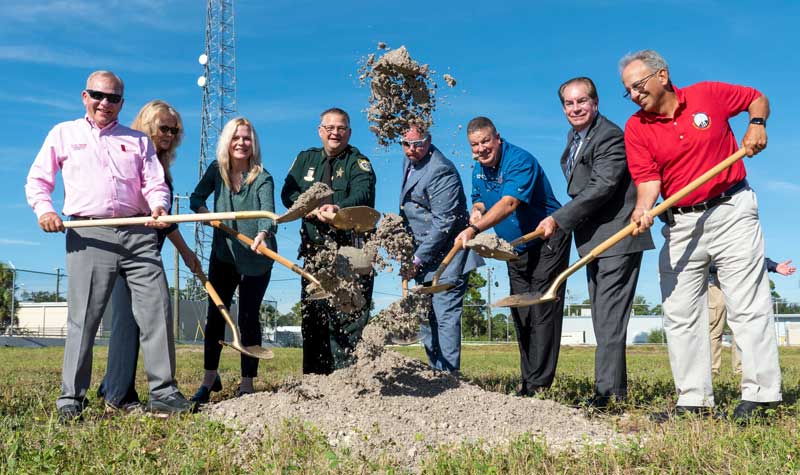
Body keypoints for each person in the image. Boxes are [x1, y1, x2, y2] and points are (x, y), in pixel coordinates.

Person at [620, 49, 782, 420]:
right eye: (627, 90)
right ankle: (693, 401)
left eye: (638, 85)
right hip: (680, 223)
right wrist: (643, 209)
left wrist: (757, 123)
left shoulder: (708, 93)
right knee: (679, 311)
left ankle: (761, 396)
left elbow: (757, 97)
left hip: (731, 209)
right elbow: (648, 180)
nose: (633, 95)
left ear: (662, 76)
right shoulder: (636, 127)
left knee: (746, 302)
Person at [25, 70, 193, 421]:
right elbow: (38, 179)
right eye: (97, 95)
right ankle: (71, 399)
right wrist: (46, 211)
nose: (105, 103)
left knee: (158, 309)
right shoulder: (63, 133)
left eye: (113, 98)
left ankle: (163, 392)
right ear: (84, 96)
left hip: (138, 232)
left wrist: (159, 206)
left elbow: (154, 183)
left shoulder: (137, 141)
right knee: (83, 318)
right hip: (89, 233)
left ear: (121, 102)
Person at [534, 77, 655, 408]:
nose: (576, 108)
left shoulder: (610, 136)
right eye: (569, 103)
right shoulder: (574, 136)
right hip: (593, 240)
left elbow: (602, 186)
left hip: (618, 236)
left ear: (596, 102)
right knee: (603, 319)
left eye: (582, 101)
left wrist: (560, 218)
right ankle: (612, 391)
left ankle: (608, 397)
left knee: (609, 320)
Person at [97, 100, 201, 412]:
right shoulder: (136, 158)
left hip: (148, 252)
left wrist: (186, 253)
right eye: (163, 128)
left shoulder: (161, 164)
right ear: (147, 126)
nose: (169, 134)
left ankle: (113, 389)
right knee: (128, 323)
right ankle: (118, 396)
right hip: (128, 250)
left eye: (174, 129)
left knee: (134, 321)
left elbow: (164, 220)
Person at [455, 117, 571, 396]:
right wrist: (476, 212)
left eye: (485, 141)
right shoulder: (478, 169)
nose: (481, 149)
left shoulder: (519, 160)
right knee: (521, 311)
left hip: (546, 239)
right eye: (475, 145)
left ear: (497, 138)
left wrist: (474, 228)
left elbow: (509, 203)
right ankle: (527, 382)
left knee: (541, 308)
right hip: (514, 248)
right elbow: (481, 199)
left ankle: (539, 386)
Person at [281, 107, 376, 375]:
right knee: (313, 318)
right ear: (320, 130)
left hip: (350, 253)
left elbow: (363, 194)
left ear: (349, 132)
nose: (335, 133)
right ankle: (314, 382)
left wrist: (337, 209)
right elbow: (288, 193)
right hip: (314, 254)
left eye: (341, 128)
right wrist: (306, 208)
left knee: (348, 321)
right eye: (330, 128)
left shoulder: (358, 162)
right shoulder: (305, 159)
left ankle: (348, 382)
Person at [189, 117, 277, 402]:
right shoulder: (217, 171)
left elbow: (268, 214)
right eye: (236, 138)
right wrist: (206, 214)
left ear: (254, 144)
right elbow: (196, 198)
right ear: (228, 141)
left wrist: (263, 233)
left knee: (249, 317)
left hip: (257, 258)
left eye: (247, 138)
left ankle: (247, 383)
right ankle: (209, 379)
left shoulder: (262, 177)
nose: (241, 143)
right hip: (224, 255)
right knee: (216, 315)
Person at [398, 124, 483, 372]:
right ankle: (435, 374)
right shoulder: (410, 162)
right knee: (426, 318)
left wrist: (417, 259)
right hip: (424, 255)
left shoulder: (441, 170)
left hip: (449, 255)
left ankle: (449, 378)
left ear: (429, 139)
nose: (411, 149)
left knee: (444, 317)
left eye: (418, 143)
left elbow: (444, 222)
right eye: (406, 143)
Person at [709, 258, 795, 376]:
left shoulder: (741, 241)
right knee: (714, 328)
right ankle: (712, 371)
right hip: (717, 283)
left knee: (741, 329)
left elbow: (753, 255)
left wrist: (774, 266)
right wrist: (729, 265)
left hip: (739, 284)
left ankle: (740, 371)